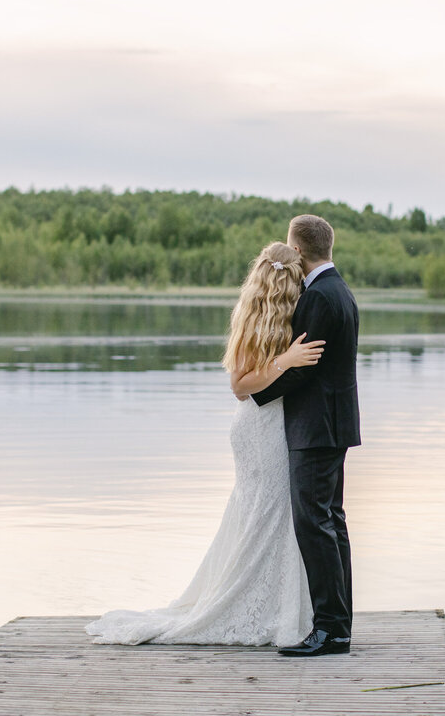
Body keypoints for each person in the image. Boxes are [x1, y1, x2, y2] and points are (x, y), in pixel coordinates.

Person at [84, 241, 323, 646]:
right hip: (258, 427)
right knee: (263, 510)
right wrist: (285, 360)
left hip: (275, 424)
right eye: (292, 281)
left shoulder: (294, 317)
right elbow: (240, 386)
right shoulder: (251, 321)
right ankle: (246, 603)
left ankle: (276, 603)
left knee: (270, 513)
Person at [251, 214, 361, 657]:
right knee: (331, 521)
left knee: (313, 524)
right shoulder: (341, 290)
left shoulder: (317, 297)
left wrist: (256, 394)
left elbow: (302, 367)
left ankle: (330, 630)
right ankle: (339, 623)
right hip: (335, 422)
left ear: (297, 251)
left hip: (316, 426)